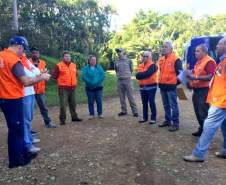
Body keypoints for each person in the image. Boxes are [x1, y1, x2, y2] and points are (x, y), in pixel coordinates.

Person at [0, 36, 50, 168]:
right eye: (23, 50)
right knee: (16, 130)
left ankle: (22, 152)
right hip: (13, 97)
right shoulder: (13, 59)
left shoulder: (2, 56)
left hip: (4, 97)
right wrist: (42, 77)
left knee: (16, 128)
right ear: (19, 46)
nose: (24, 53)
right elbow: (26, 81)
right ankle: (16, 160)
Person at [183, 37, 226, 162]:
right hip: (218, 99)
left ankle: (198, 154)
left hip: (221, 101)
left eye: (219, 44)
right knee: (224, 126)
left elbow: (210, 76)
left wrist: (194, 77)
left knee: (208, 125)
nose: (216, 46)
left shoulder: (215, 61)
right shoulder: (222, 61)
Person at [187, 44, 217, 137]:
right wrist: (191, 73)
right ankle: (202, 129)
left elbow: (210, 76)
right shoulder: (199, 62)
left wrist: (194, 76)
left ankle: (207, 134)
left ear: (204, 52)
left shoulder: (209, 61)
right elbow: (198, 73)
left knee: (203, 113)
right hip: (197, 91)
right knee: (197, 112)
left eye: (198, 51)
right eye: (195, 51)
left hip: (204, 91)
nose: (195, 52)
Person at [52, 52, 82, 125]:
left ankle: (74, 117)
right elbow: (54, 76)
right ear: (63, 58)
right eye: (66, 56)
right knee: (63, 105)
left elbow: (76, 75)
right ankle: (62, 120)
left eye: (69, 56)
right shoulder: (58, 65)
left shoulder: (73, 65)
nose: (68, 58)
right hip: (63, 89)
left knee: (73, 103)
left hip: (72, 88)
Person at [158, 41, 183, 132]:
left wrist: (174, 83)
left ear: (171, 49)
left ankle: (175, 124)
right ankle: (168, 120)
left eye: (165, 47)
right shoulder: (162, 59)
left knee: (173, 106)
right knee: (166, 105)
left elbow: (181, 75)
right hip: (163, 86)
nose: (163, 48)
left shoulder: (176, 60)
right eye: (163, 47)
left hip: (171, 87)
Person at [20, 54, 41, 157]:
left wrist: (37, 74)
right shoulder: (17, 60)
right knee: (25, 119)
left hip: (31, 91)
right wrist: (37, 74)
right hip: (24, 93)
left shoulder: (25, 59)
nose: (24, 53)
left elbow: (36, 71)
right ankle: (27, 144)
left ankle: (29, 138)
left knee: (29, 117)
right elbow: (32, 75)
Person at [30, 47, 56, 128]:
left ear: (39, 54)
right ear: (31, 54)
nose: (35, 54)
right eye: (33, 53)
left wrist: (46, 77)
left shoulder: (43, 63)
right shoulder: (27, 62)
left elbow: (44, 74)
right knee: (29, 110)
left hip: (40, 90)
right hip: (30, 90)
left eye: (36, 53)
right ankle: (28, 128)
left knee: (44, 108)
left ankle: (48, 123)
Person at [114, 48, 138, 117]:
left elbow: (131, 70)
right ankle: (124, 111)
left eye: (120, 51)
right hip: (120, 80)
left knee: (130, 96)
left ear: (123, 52)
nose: (118, 53)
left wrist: (127, 75)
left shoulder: (128, 61)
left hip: (127, 80)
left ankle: (135, 111)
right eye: (117, 52)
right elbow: (116, 70)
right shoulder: (116, 62)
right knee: (121, 97)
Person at [136, 51, 158, 124]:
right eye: (144, 56)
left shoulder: (153, 65)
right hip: (142, 87)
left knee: (151, 102)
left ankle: (153, 118)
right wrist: (142, 75)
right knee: (144, 103)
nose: (144, 57)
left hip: (151, 87)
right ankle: (145, 118)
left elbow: (148, 74)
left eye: (146, 56)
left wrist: (141, 75)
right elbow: (137, 76)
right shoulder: (140, 65)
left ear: (150, 57)